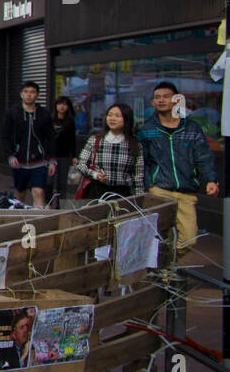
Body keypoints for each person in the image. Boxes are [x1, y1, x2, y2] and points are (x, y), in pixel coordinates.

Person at [137, 82, 220, 251]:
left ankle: (167, 266)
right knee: (159, 237)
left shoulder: (191, 128)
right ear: (153, 102)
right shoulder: (146, 130)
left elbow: (203, 156)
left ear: (176, 100)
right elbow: (142, 162)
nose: (161, 100)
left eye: (166, 97)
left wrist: (211, 179)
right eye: (157, 97)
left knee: (189, 239)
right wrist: (148, 186)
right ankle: (165, 274)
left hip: (186, 192)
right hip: (158, 191)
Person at [2, 81, 55, 208]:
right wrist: (10, 155)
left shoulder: (44, 114)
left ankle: (40, 223)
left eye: (32, 92)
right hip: (19, 161)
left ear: (37, 95)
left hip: (39, 161)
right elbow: (5, 136)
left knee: (38, 192)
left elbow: (50, 138)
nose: (29, 95)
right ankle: (20, 223)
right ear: (21, 94)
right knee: (20, 194)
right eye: (26, 92)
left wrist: (52, 160)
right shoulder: (13, 112)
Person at [76, 103, 145, 200]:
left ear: (127, 119)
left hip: (123, 194)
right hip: (97, 192)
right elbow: (81, 165)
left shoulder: (134, 144)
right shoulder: (95, 140)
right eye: (110, 115)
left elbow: (138, 176)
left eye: (117, 116)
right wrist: (96, 175)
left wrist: (139, 199)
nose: (112, 118)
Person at [49, 97, 77, 207]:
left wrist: (74, 156)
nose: (62, 106)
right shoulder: (50, 119)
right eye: (60, 104)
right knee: (49, 182)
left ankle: (60, 207)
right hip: (50, 156)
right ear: (56, 105)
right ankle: (48, 204)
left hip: (64, 155)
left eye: (65, 104)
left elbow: (72, 140)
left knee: (62, 183)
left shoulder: (70, 121)